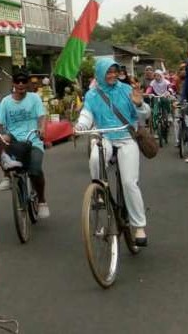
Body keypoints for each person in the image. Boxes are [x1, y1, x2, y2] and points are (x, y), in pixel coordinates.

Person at [75, 58, 150, 246]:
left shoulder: (126, 90)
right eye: (108, 72)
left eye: (115, 71)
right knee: (94, 158)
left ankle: (139, 226)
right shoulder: (92, 95)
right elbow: (87, 114)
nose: (112, 75)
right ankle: (99, 191)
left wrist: (139, 104)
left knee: (129, 182)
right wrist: (80, 126)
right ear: (100, 73)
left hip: (126, 138)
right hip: (105, 137)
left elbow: (144, 114)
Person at [0, 69, 51, 218]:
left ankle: (42, 201)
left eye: (24, 81)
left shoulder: (34, 98)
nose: (20, 84)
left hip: (33, 139)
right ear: (13, 83)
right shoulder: (6, 101)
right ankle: (7, 176)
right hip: (14, 138)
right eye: (17, 81)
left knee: (35, 170)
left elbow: (42, 116)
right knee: (1, 139)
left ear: (27, 83)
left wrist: (42, 129)